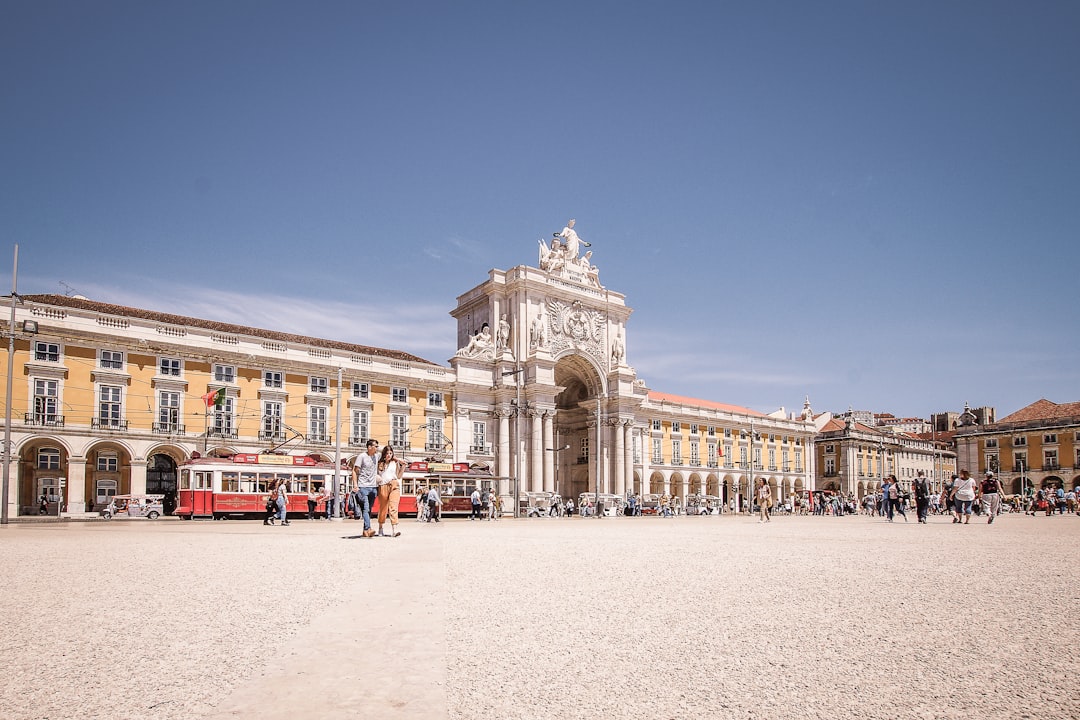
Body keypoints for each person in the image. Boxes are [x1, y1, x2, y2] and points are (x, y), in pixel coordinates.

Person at [352, 439, 380, 537]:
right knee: (366, 508)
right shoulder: (362, 456)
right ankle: (368, 528)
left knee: (368, 510)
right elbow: (355, 471)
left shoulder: (376, 456)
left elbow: (388, 455)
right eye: (375, 446)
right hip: (363, 486)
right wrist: (355, 485)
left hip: (373, 488)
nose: (377, 448)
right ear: (369, 447)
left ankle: (365, 531)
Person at [376, 445, 404, 537]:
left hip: (394, 484)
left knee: (393, 507)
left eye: (391, 453)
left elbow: (399, 476)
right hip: (383, 486)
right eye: (387, 453)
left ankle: (394, 530)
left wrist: (403, 465)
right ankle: (380, 528)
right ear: (384, 454)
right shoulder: (379, 463)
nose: (389, 455)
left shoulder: (394, 463)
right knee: (383, 509)